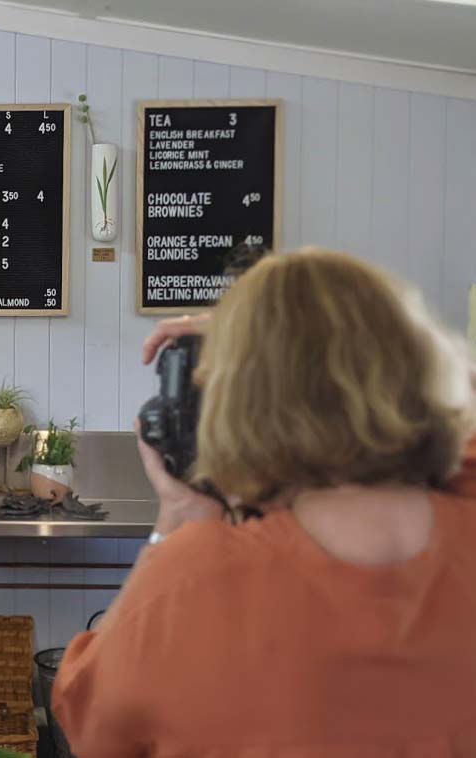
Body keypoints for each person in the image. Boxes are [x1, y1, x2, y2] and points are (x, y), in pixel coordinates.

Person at [52, 247, 476, 756]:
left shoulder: (191, 579)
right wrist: (317, 336)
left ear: (239, 399)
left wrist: (179, 519)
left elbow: (87, 721)